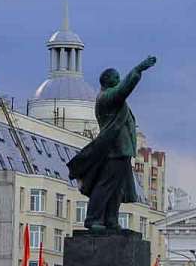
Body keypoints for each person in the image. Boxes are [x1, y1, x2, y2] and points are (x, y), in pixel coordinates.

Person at [67, 56, 157, 232]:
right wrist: (138, 69)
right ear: (108, 82)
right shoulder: (106, 98)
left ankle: (111, 219)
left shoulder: (113, 100)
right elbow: (124, 89)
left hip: (121, 152)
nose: (119, 81)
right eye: (116, 78)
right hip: (113, 151)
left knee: (117, 188)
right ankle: (93, 219)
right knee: (105, 185)